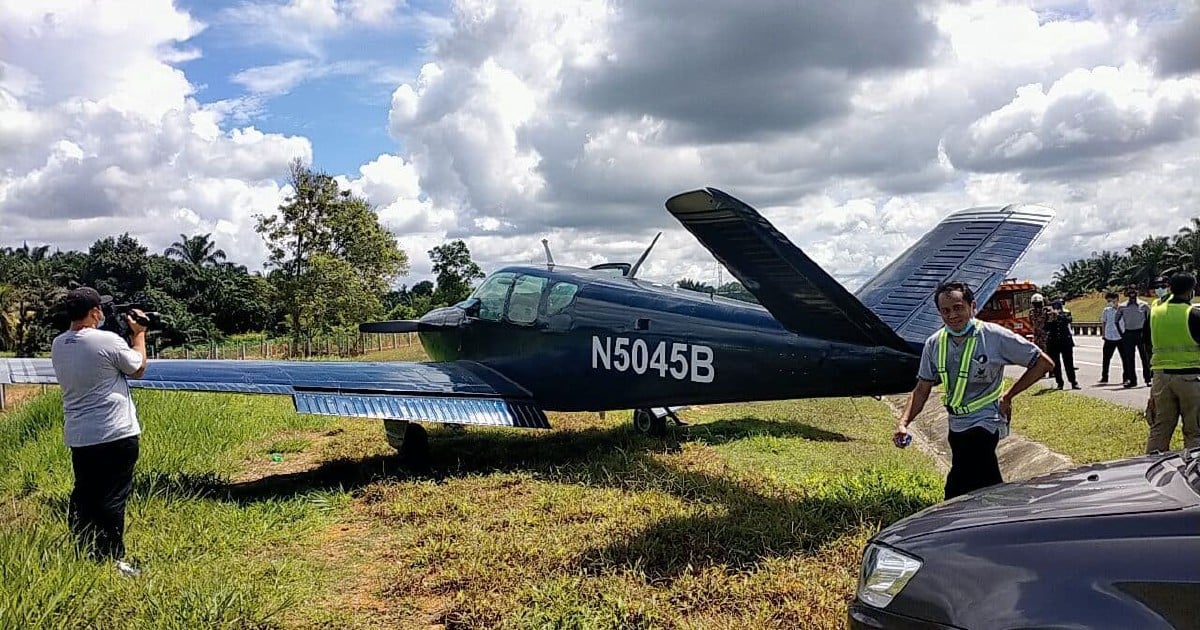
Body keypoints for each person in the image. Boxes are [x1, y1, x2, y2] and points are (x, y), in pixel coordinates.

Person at [894, 281, 1054, 499]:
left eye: (958, 307)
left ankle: (957, 519)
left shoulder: (994, 336)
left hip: (985, 421)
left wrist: (1008, 395)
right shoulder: (935, 343)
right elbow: (922, 388)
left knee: (960, 483)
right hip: (956, 424)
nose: (952, 315)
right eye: (945, 311)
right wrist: (903, 423)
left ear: (972, 306)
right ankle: (1004, 516)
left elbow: (1043, 363)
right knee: (983, 483)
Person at [50, 287, 148, 577]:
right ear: (94, 313)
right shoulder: (107, 340)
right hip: (115, 433)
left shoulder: (58, 344)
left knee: (85, 495)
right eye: (100, 309)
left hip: (80, 435)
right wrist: (139, 334)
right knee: (113, 498)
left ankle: (84, 551)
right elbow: (138, 368)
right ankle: (113, 560)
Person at [1146, 273, 1200, 453]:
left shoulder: (1155, 312)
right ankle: (1195, 475)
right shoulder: (1192, 314)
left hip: (1161, 378)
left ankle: (1151, 468)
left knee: (1160, 428)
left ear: (1170, 288)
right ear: (1191, 291)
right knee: (1195, 431)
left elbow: (1146, 342)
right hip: (1190, 378)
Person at [1116, 286, 1152, 388]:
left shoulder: (1144, 305)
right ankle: (1132, 380)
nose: (1132, 294)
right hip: (1128, 333)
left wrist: (1148, 334)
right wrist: (1121, 334)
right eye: (1130, 292)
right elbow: (1116, 320)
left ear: (1137, 292)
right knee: (1129, 358)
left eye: (1134, 292)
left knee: (1145, 357)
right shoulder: (1122, 306)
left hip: (1141, 333)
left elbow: (1149, 320)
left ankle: (1148, 379)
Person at [1045, 298, 1079, 389]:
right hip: (1053, 343)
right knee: (1056, 364)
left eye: (1057, 307)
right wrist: (1051, 319)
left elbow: (1069, 320)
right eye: (1054, 307)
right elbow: (1045, 328)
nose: (1056, 308)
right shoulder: (1048, 315)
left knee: (1069, 363)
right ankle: (1059, 383)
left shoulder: (1066, 313)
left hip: (1066, 342)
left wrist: (1058, 315)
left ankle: (1073, 382)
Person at [1098, 291, 1124, 383]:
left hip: (1121, 336)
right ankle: (1104, 377)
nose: (1109, 302)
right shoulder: (1106, 310)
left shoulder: (1123, 309)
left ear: (1116, 299)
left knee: (1125, 358)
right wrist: (1104, 334)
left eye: (1110, 300)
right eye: (1108, 301)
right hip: (1109, 336)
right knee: (1106, 358)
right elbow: (1104, 322)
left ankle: (1126, 377)